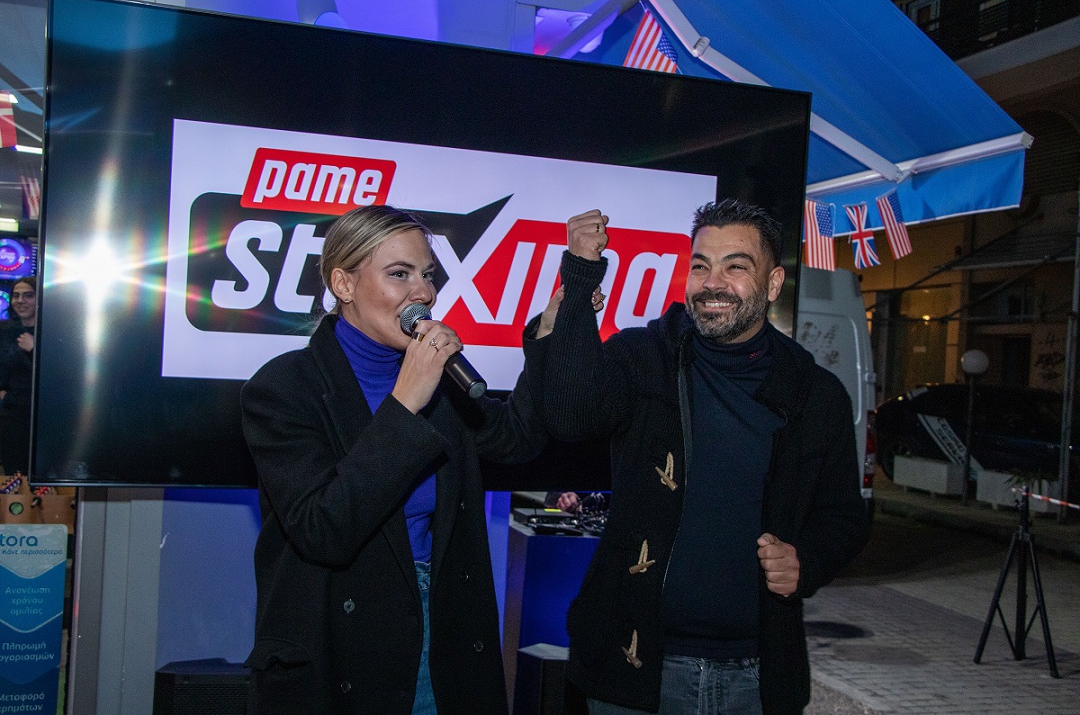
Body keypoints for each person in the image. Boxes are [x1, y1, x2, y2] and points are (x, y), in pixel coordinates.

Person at [523, 199, 870, 715]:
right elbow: (570, 416)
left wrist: (807, 560)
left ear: (773, 283)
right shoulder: (645, 357)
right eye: (701, 266)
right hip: (633, 669)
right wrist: (580, 274)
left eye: (736, 267)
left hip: (755, 676)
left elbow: (844, 516)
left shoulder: (815, 395)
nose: (712, 283)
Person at [241, 205, 574, 715]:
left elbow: (516, 440)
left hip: (441, 622)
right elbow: (324, 529)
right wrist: (404, 403)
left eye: (428, 274)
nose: (424, 293)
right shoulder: (284, 388)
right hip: (343, 642)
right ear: (344, 284)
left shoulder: (439, 380)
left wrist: (546, 337)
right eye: (400, 274)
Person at [0, 276, 37, 478]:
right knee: (14, 476)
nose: (20, 301)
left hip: (43, 416)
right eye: (16, 296)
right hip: (13, 417)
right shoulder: (6, 332)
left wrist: (34, 348)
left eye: (28, 295)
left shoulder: (52, 331)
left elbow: (61, 373)